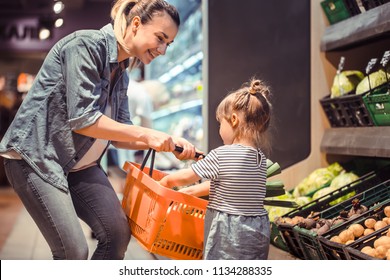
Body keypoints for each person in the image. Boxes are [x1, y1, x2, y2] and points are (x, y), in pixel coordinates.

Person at [0, 0, 201, 260]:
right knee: (73, 250)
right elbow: (83, 119)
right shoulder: (85, 45)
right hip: (37, 160)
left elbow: (122, 135)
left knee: (117, 234)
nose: (162, 50)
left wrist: (167, 142)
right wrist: (150, 135)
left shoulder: (123, 71)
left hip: (79, 166)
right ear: (136, 24)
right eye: (160, 38)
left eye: (168, 44)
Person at [159, 77, 272, 260]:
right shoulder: (260, 158)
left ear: (233, 120)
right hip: (256, 234)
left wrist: (165, 182)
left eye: (221, 123)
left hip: (228, 234)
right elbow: (229, 188)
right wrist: (192, 191)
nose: (219, 128)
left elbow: (185, 176)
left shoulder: (223, 154)